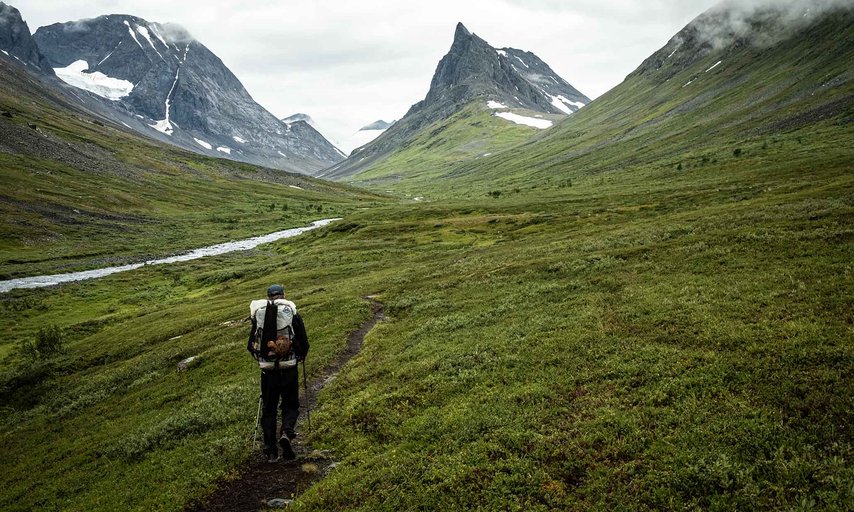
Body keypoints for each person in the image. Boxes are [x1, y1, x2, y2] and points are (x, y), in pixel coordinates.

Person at [247, 284, 309, 462]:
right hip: (289, 368)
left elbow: (251, 345)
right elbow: (303, 342)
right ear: (283, 295)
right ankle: (286, 433)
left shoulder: (259, 313)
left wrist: (262, 360)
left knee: (269, 409)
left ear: (268, 297)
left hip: (267, 372)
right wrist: (300, 356)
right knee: (290, 405)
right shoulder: (291, 311)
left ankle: (270, 450)